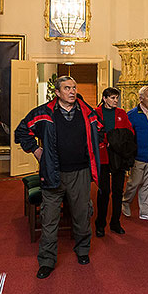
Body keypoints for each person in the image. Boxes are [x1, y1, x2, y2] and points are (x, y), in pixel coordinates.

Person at [14, 76, 103, 279]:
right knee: (50, 218)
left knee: (81, 215)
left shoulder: (87, 112)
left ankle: (82, 251)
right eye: (67, 88)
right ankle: (46, 261)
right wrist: (35, 149)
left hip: (80, 173)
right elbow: (21, 131)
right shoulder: (43, 112)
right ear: (57, 92)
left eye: (74, 87)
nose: (72, 91)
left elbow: (100, 131)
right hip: (52, 173)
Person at [94, 87, 135, 237]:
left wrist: (116, 141)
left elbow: (129, 133)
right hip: (103, 156)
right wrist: (109, 140)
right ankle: (100, 224)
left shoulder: (122, 113)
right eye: (112, 98)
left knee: (118, 191)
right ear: (104, 98)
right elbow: (95, 133)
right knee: (104, 191)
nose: (115, 100)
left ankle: (115, 223)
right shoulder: (96, 113)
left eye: (117, 98)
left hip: (119, 156)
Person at [122, 86, 148, 222]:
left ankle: (145, 211)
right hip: (138, 156)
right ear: (141, 98)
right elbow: (127, 137)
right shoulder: (132, 115)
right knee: (134, 183)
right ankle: (125, 201)